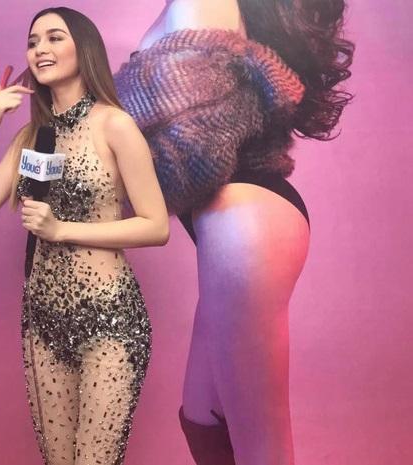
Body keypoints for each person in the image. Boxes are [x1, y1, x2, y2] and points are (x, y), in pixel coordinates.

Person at [114, 0, 354, 464]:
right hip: (241, 223)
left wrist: (100, 197)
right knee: (204, 419)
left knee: (261, 451)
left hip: (243, 224)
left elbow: (197, 148)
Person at [0, 6, 169, 465]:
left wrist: (60, 229)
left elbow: (157, 226)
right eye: (33, 42)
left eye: (54, 38)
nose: (40, 49)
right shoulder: (32, 138)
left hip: (109, 320)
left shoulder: (114, 124)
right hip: (44, 323)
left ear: (84, 48)